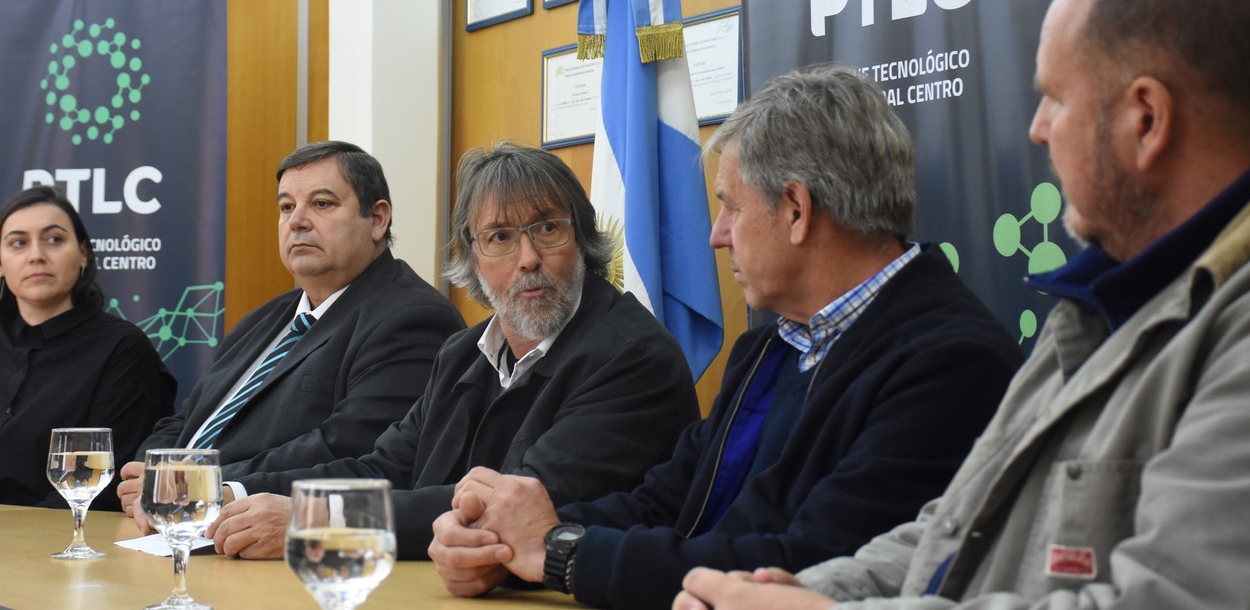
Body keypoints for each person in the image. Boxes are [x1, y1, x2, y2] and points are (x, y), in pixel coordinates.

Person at [672, 0, 1250, 608]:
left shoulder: (1236, 331)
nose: (1036, 130)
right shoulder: (1088, 314)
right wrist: (808, 591)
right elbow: (955, 527)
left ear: (1145, 119)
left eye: (1057, 99)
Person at [430, 65, 1024, 610]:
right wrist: (505, 541)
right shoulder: (771, 348)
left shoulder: (952, 364)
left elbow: (808, 568)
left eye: (731, 208)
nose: (716, 236)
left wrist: (559, 551)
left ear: (796, 210)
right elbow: (665, 499)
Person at [203, 142, 700, 561]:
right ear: (473, 257)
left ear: (582, 238)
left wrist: (314, 520)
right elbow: (383, 468)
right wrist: (236, 493)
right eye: (500, 237)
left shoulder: (634, 357)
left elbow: (511, 509)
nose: (528, 258)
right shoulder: (463, 353)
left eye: (548, 229)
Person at [117, 141, 465, 524]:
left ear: (377, 219)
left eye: (321, 203)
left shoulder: (412, 318)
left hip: (274, 535)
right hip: (175, 522)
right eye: (286, 207)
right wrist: (151, 469)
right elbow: (186, 419)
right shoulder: (265, 318)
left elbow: (351, 450)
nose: (297, 221)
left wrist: (197, 484)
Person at [0, 186, 175, 511]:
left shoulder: (122, 349)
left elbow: (105, 484)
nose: (36, 255)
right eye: (18, 243)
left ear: (83, 254)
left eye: (54, 239)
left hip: (65, 532)